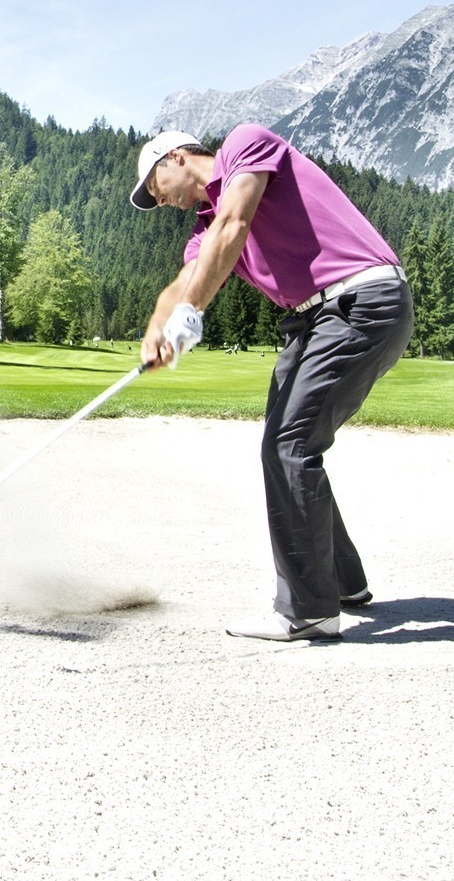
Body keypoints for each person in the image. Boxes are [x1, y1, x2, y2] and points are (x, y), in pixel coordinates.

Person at [132, 125, 412, 642]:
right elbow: (185, 278)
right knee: (283, 445)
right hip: (314, 321)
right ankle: (341, 584)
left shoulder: (245, 143)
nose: (161, 199)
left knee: (290, 445)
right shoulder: (203, 227)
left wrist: (193, 311)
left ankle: (308, 610)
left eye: (156, 185)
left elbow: (236, 222)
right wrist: (157, 329)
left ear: (175, 157)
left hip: (359, 300)